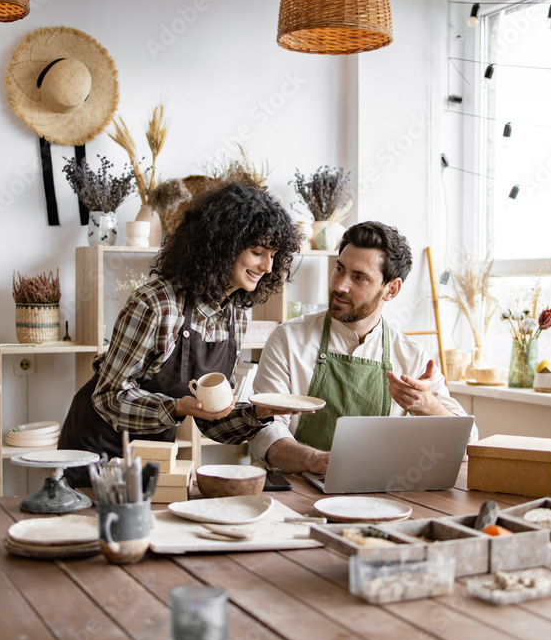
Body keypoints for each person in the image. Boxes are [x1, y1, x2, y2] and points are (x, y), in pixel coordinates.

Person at [58, 182, 301, 484]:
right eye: (257, 252)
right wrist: (174, 407)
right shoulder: (157, 304)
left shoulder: (235, 315)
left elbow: (212, 422)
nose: (267, 266)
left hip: (153, 455)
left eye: (274, 255)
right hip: (97, 452)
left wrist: (258, 414)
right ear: (222, 245)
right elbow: (108, 396)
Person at [249, 221, 476, 475]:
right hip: (296, 492)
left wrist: (426, 405)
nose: (339, 286)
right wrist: (313, 460)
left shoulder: (411, 356)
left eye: (359, 277)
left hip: (379, 494)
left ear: (391, 290)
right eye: (339, 269)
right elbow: (264, 430)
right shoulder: (288, 339)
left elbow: (468, 444)